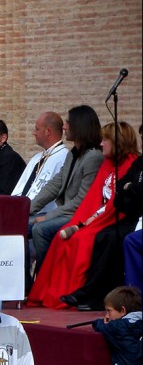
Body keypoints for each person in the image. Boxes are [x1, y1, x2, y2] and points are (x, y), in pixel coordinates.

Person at [28, 121, 139, 309]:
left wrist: (87, 222)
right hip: (93, 215)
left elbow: (114, 201)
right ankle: (50, 291)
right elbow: (92, 197)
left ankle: (81, 293)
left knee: (81, 240)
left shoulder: (129, 163)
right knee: (61, 238)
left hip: (113, 217)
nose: (102, 144)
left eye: (106, 140)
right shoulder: (97, 161)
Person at [61, 123, 143, 310]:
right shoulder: (140, 163)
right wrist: (130, 190)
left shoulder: (133, 161)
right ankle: (96, 295)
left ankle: (98, 294)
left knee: (115, 238)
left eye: (105, 139)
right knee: (104, 236)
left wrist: (131, 189)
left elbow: (132, 191)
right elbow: (119, 197)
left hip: (136, 218)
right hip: (132, 216)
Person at [28, 105, 104, 276]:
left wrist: (47, 217)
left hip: (79, 215)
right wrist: (27, 209)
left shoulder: (93, 157)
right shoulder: (73, 154)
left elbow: (82, 201)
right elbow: (54, 185)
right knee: (20, 224)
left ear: (80, 126)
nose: (64, 127)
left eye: (68, 123)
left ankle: (44, 278)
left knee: (40, 229)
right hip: (66, 212)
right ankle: (24, 282)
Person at [11, 112, 68, 199]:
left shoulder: (64, 158)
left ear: (47, 131)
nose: (33, 133)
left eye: (37, 129)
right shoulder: (36, 158)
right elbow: (19, 188)